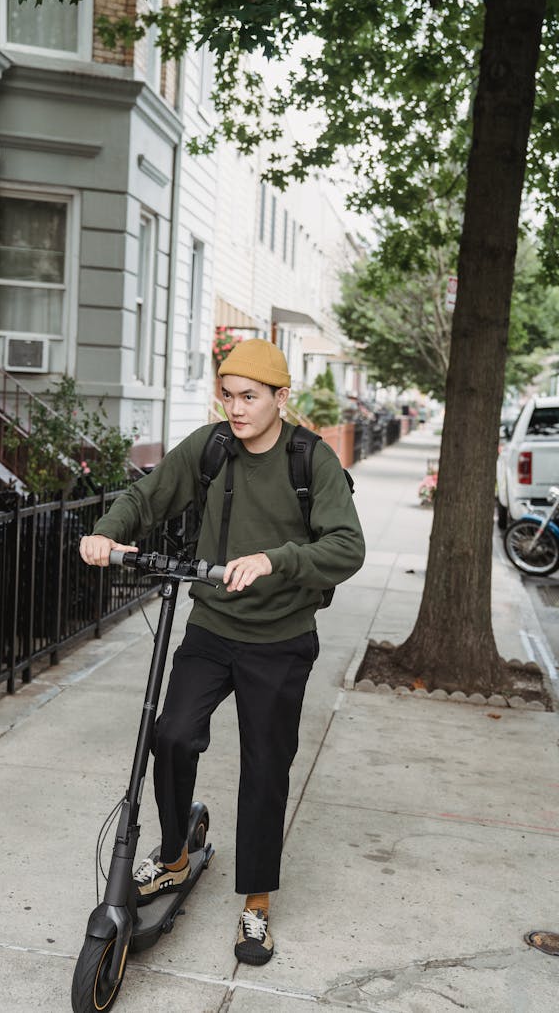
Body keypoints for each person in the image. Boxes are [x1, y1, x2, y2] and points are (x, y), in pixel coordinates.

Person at [79, 338, 365, 967]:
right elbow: (148, 495)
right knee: (172, 735)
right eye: (228, 396)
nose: (235, 409)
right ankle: (174, 856)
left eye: (249, 397)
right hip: (212, 627)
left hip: (281, 639)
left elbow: (348, 546)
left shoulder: (310, 460)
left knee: (265, 768)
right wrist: (106, 533)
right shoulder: (211, 447)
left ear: (280, 398)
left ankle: (257, 900)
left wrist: (275, 560)